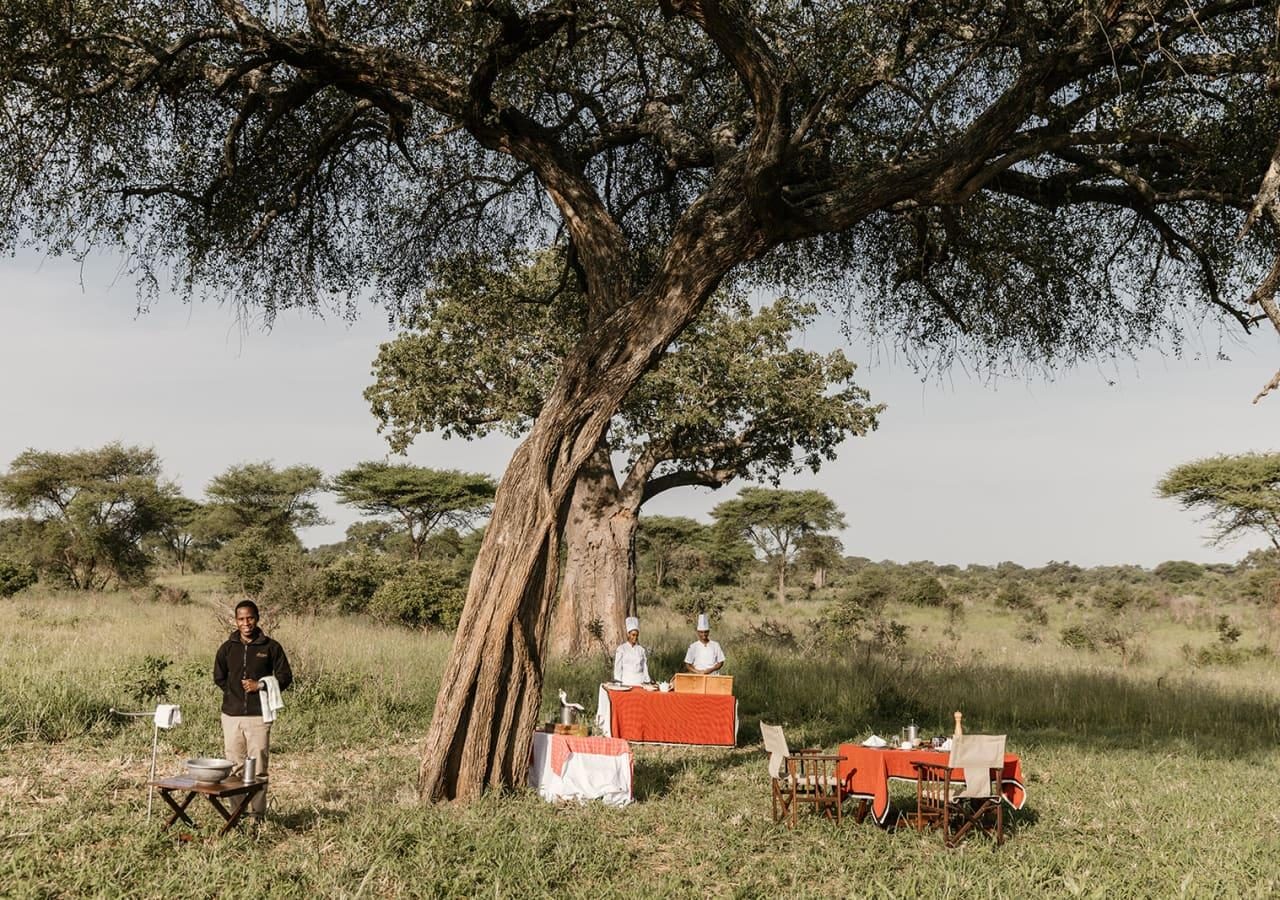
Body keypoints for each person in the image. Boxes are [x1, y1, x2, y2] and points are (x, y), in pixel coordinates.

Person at [213, 599, 293, 820]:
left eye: (249, 618)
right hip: (231, 716)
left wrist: (261, 686)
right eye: (241, 619)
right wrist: (233, 695)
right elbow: (219, 677)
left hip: (259, 716)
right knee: (235, 767)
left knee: (258, 769)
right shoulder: (227, 648)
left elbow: (285, 677)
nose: (246, 622)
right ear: (235, 621)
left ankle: (257, 816)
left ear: (257, 619)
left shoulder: (271, 647)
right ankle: (236, 814)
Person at [612, 616, 651, 685]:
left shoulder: (641, 650)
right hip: (626, 682)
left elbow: (644, 667)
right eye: (633, 635)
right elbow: (618, 667)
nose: (635, 637)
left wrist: (647, 680)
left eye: (637, 635)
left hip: (640, 682)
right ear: (628, 634)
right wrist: (618, 681)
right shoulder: (621, 649)